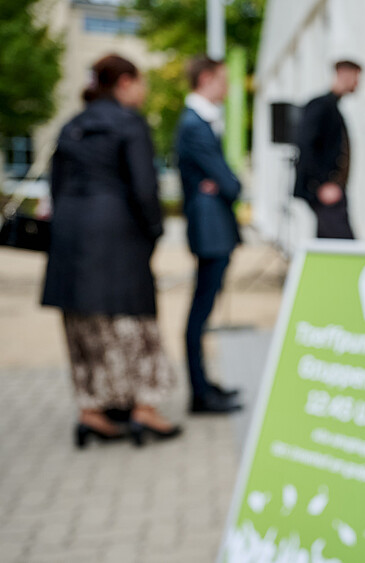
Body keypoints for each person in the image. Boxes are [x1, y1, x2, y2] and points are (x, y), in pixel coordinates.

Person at [42, 54, 180, 447]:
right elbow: (144, 188)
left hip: (70, 238)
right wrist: (154, 230)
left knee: (83, 326)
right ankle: (143, 409)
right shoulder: (129, 123)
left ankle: (91, 411)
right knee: (133, 326)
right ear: (124, 82)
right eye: (141, 82)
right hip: (118, 237)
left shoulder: (72, 126)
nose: (144, 90)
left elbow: (56, 186)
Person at [176, 55, 243, 413]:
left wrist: (222, 183)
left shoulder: (203, 122)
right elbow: (231, 184)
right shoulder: (194, 125)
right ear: (205, 79)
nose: (228, 87)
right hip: (209, 232)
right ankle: (199, 393)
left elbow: (224, 183)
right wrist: (227, 184)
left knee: (204, 310)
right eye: (223, 79)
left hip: (216, 229)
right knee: (199, 312)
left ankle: (205, 385)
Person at [293, 60, 363, 239]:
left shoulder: (331, 107)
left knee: (329, 243)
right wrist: (320, 184)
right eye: (356, 77)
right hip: (325, 190)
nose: (358, 83)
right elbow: (305, 145)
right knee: (341, 246)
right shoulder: (321, 106)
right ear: (344, 74)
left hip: (332, 189)